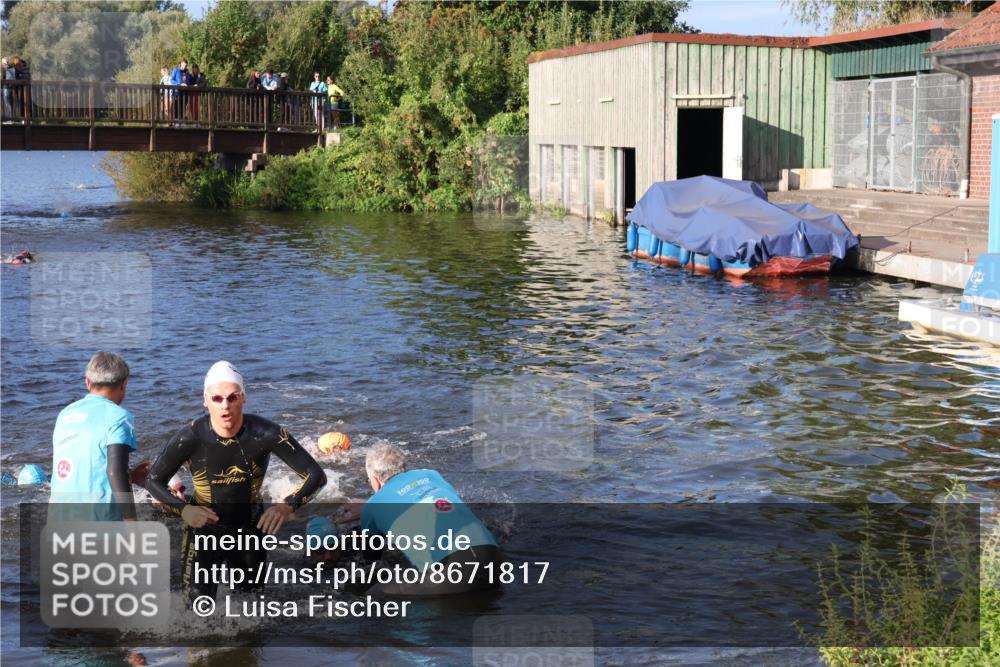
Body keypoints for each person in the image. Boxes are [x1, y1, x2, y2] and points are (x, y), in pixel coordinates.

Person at [146, 361, 326, 604]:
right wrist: (185, 510)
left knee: (250, 608)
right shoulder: (190, 437)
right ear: (205, 401)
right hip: (203, 528)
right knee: (195, 611)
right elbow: (153, 481)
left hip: (249, 527)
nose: (225, 405)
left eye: (232, 397)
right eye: (217, 398)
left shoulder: (266, 433)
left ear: (244, 398)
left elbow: (316, 476)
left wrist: (287, 506)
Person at [355, 443, 501, 595]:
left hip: (452, 575)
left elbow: (372, 559)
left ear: (375, 480)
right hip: (494, 559)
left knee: (373, 593)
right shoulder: (431, 475)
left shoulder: (373, 504)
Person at [49, 352, 137, 521]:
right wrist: (131, 519)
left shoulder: (65, 414)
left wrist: (131, 475)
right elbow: (116, 471)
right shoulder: (120, 417)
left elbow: (83, 464)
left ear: (87, 382)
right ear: (124, 384)